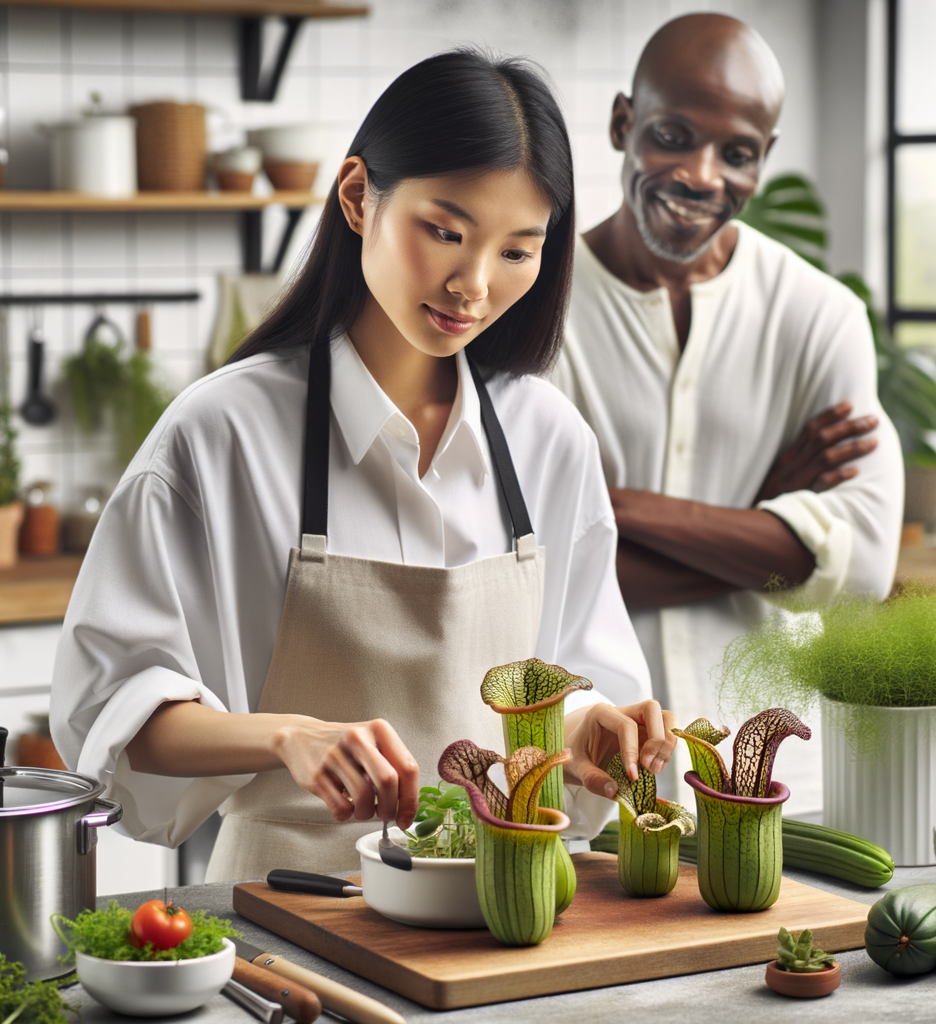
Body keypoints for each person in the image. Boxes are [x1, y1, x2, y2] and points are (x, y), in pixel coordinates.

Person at [51, 50, 673, 881]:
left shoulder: (549, 441)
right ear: (358, 199)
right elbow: (113, 715)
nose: (473, 285)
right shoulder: (221, 433)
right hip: (289, 922)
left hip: (496, 918)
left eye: (518, 251)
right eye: (446, 233)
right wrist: (287, 734)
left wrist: (587, 725)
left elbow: (573, 673)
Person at [549, 14, 904, 811]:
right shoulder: (533, 303)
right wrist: (757, 524)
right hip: (587, 786)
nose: (702, 175)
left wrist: (609, 512)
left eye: (736, 152)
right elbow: (526, 578)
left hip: (780, 785)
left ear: (763, 160)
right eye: (673, 135)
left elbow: (862, 573)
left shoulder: (822, 316)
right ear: (622, 124)